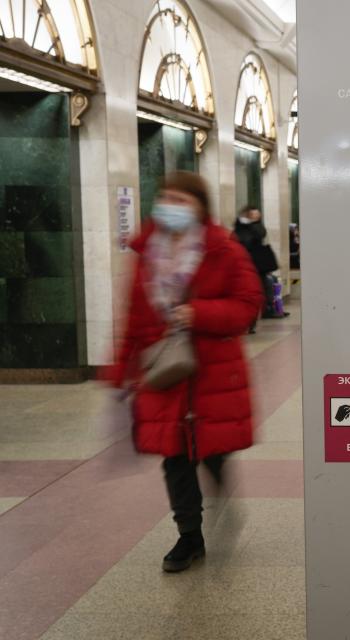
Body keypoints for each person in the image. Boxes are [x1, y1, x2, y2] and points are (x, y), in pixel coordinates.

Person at [106, 172, 263, 573]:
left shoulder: (223, 250)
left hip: (212, 370)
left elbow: (247, 304)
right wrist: (120, 368)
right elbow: (133, 315)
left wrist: (200, 313)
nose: (169, 205)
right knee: (174, 457)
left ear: (199, 206)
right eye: (165, 197)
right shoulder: (146, 253)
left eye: (180, 199)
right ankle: (189, 536)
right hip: (164, 372)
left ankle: (221, 490)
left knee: (211, 451)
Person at [234, 206, 282, 326]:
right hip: (244, 263)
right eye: (252, 214)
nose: (255, 216)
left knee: (261, 288)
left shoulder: (256, 226)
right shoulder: (240, 226)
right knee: (250, 290)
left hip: (256, 264)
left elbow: (260, 234)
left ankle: (259, 315)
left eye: (257, 215)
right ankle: (251, 318)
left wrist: (253, 223)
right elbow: (239, 239)